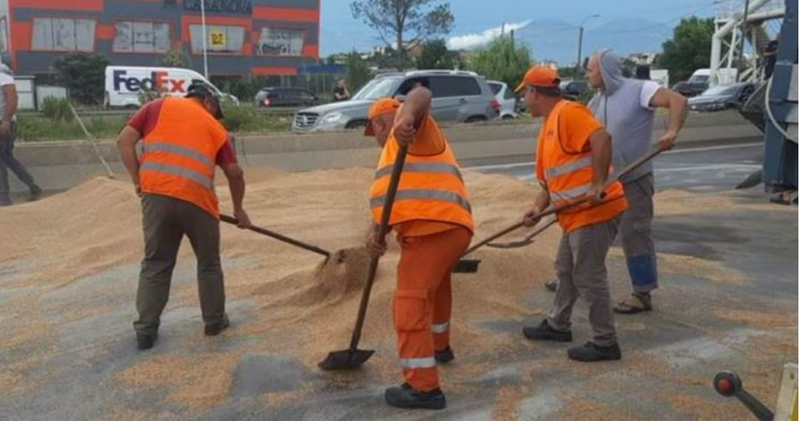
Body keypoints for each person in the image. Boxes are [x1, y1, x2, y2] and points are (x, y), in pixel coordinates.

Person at [116, 83, 252, 350]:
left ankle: (145, 329)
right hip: (198, 203)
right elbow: (235, 173)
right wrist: (240, 211)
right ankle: (214, 322)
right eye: (216, 111)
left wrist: (137, 179)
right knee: (209, 264)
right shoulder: (216, 128)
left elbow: (124, 141)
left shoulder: (156, 107)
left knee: (156, 263)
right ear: (209, 102)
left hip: (156, 195)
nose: (215, 116)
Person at [364, 88, 474, 410]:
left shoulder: (412, 130)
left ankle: (423, 387)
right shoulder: (394, 153)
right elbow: (393, 199)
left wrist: (406, 118)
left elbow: (422, 93)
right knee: (435, 291)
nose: (375, 138)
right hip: (440, 229)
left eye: (374, 130)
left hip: (435, 228)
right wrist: (376, 231)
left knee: (409, 303)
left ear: (383, 123)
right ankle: (440, 348)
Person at [517, 66, 628, 362]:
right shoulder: (549, 125)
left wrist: (597, 184)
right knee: (565, 268)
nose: (524, 101)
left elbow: (602, 139)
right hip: (574, 214)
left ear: (535, 93)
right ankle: (558, 324)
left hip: (595, 209)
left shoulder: (568, 112)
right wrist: (537, 209)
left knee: (588, 275)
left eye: (525, 94)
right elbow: (551, 183)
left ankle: (605, 341)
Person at [583, 49, 687, 315]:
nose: (587, 73)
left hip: (634, 180)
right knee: (588, 232)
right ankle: (572, 277)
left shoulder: (640, 90)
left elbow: (677, 100)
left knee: (635, 235)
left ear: (605, 69)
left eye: (591, 69)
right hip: (604, 183)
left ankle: (642, 293)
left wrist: (672, 131)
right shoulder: (595, 102)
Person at [0, 63, 41, 206]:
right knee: (7, 157)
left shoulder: (4, 78)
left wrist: (5, 121)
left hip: (3, 123)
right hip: (5, 122)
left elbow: (13, 99)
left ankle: (3, 198)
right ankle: (32, 186)